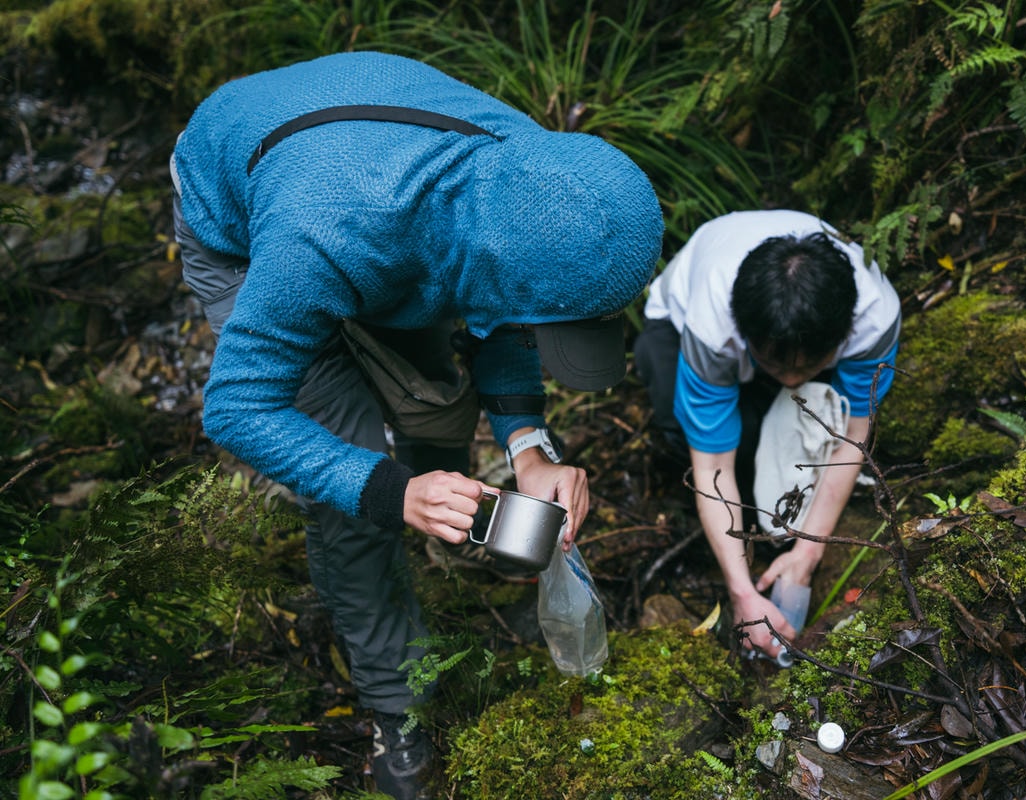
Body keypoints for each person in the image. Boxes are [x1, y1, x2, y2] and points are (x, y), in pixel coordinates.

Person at [170, 51, 663, 799]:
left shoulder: (534, 174)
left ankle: (452, 523)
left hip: (360, 175)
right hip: (243, 214)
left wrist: (528, 445)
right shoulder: (323, 238)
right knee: (355, 474)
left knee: (439, 404)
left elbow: (509, 319)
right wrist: (392, 492)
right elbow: (236, 407)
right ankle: (394, 704)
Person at [634, 210, 899, 663]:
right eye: (780, 369)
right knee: (697, 430)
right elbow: (712, 466)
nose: (793, 380)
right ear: (744, 335)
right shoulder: (711, 327)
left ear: (844, 336)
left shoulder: (874, 319)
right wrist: (741, 591)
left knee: (806, 426)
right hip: (676, 325)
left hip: (793, 340)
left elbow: (851, 438)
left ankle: (780, 383)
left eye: (807, 366)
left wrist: (808, 553)